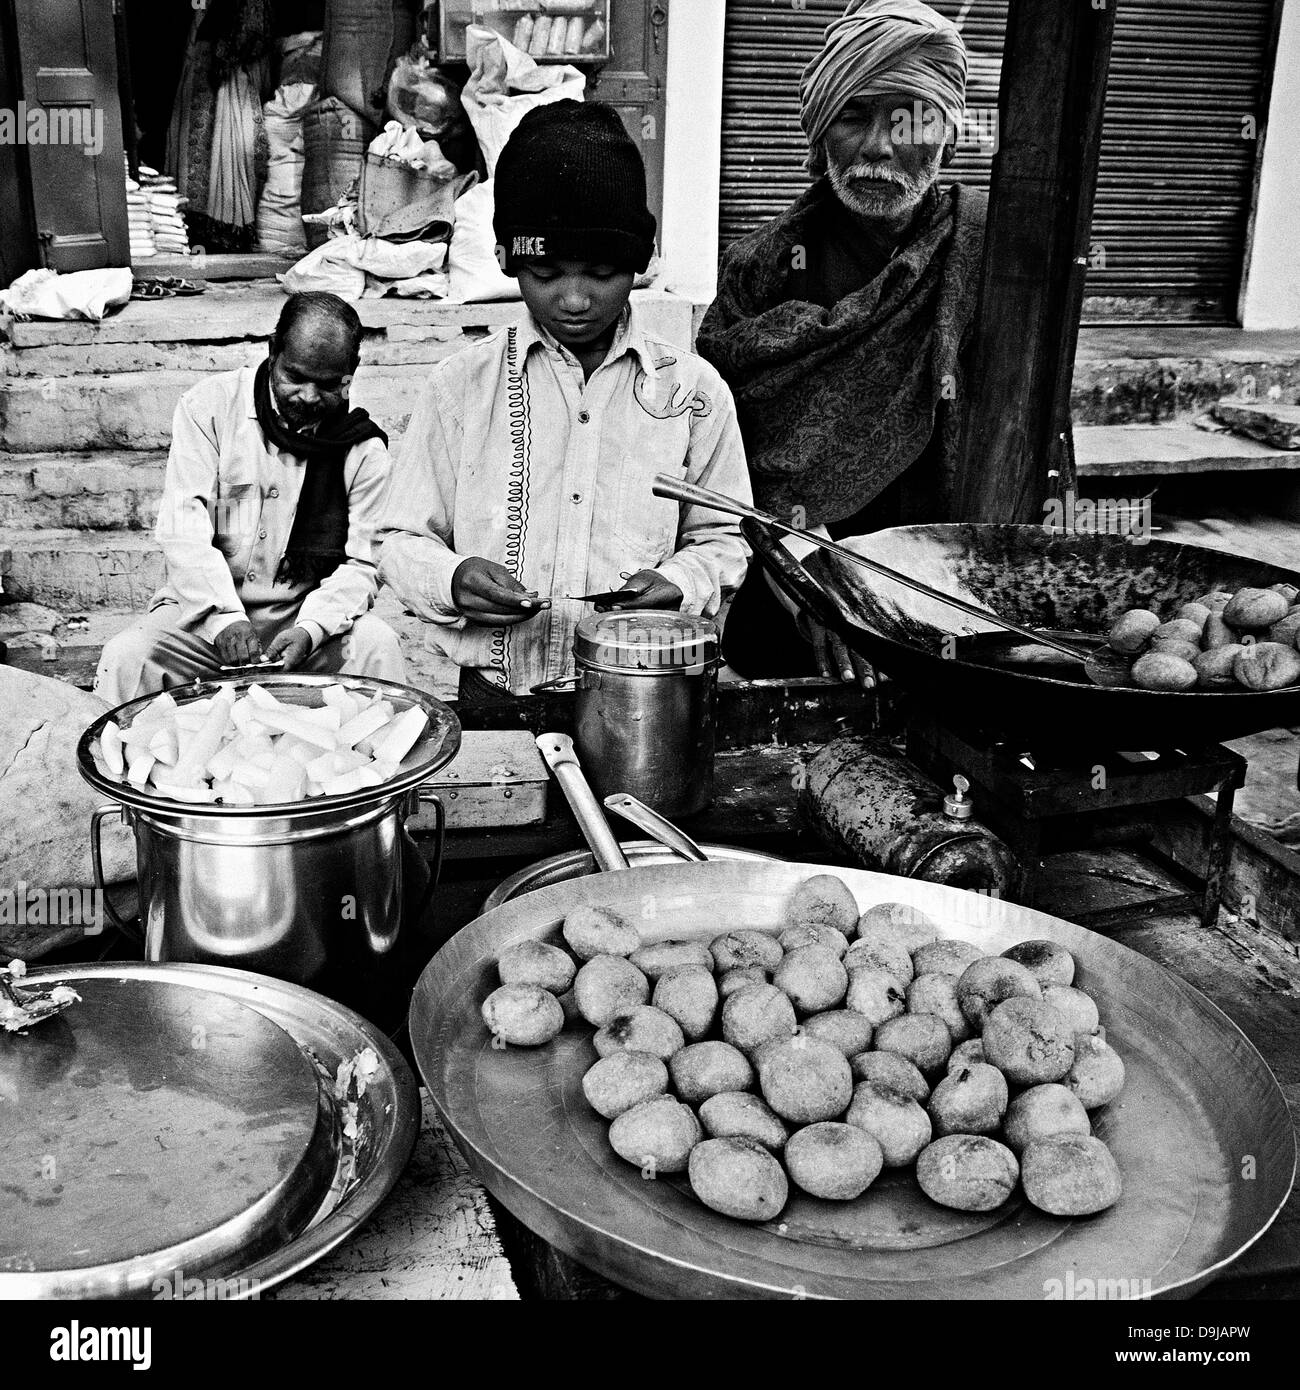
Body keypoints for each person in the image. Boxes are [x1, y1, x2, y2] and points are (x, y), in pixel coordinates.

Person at [379, 100, 751, 700]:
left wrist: (678, 583)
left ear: (639, 264)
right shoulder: (461, 386)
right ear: (508, 260)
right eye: (547, 273)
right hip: (496, 695)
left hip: (646, 696)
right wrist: (452, 579)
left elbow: (725, 538)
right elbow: (398, 540)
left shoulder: (694, 392)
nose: (574, 300)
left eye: (601, 272)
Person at [696, 0, 985, 685]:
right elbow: (731, 466)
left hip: (953, 599)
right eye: (854, 116)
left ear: (945, 130)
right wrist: (819, 592)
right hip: (799, 601)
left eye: (907, 118)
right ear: (822, 127)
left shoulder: (991, 255)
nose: (879, 147)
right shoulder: (759, 269)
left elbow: (1025, 444)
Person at [95, 291, 407, 705]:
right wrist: (223, 618)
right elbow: (184, 531)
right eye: (295, 377)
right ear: (272, 351)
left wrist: (310, 629)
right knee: (127, 657)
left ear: (352, 372)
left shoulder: (364, 450)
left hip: (302, 620)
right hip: (202, 617)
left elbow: (364, 563)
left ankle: (381, 768)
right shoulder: (209, 408)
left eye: (328, 384)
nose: (310, 397)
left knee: (377, 647)